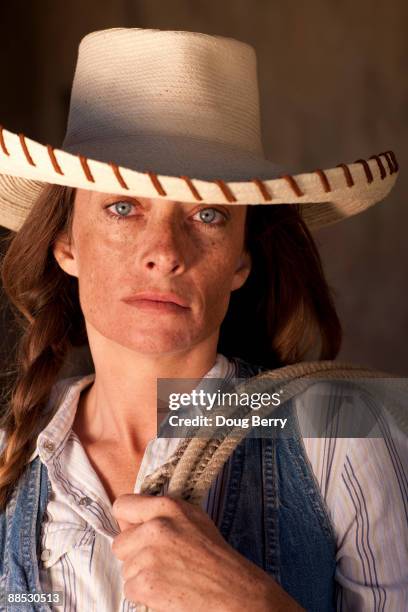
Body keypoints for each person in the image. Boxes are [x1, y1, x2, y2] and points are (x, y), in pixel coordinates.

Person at [0, 27, 406, 612]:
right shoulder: (14, 459)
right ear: (66, 244)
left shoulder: (340, 436)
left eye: (208, 214)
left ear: (241, 260)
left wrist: (253, 603)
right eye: (122, 207)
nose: (165, 250)